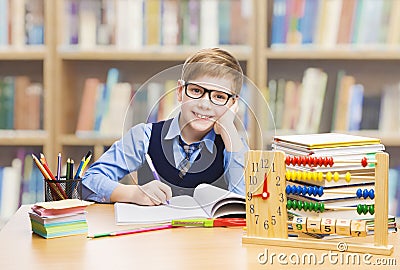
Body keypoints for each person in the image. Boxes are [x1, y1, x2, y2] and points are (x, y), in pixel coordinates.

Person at [81, 47, 248, 205]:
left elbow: (246, 203)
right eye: (196, 91)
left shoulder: (234, 146)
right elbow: (88, 182)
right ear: (180, 91)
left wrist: (229, 128)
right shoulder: (145, 136)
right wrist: (133, 193)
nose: (205, 105)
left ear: (233, 103)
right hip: (153, 233)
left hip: (212, 236)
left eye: (219, 96)